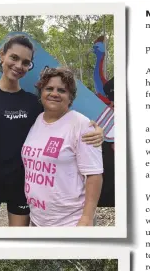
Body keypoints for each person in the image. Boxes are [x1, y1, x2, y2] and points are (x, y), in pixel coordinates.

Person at [0, 35, 104, 227]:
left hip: (21, 187)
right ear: (2, 56)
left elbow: (60, 120)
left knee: (17, 249)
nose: (19, 65)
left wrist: (99, 131)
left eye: (25, 62)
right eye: (14, 57)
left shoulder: (33, 104)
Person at [22, 66, 103, 227]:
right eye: (49, 88)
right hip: (38, 220)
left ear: (70, 96)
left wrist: (86, 219)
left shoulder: (81, 125)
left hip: (70, 222)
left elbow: (94, 175)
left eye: (62, 90)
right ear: (41, 92)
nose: (54, 93)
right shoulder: (37, 120)